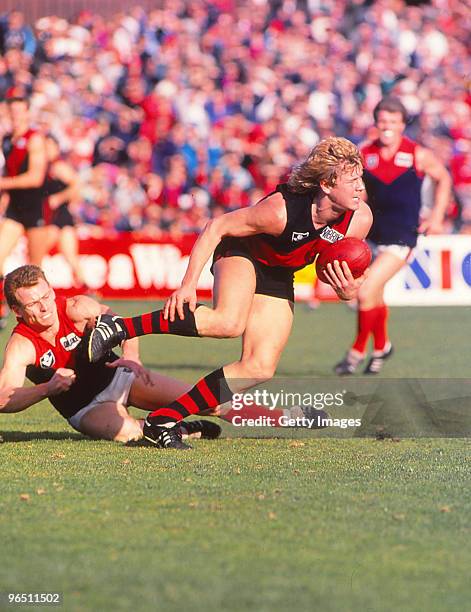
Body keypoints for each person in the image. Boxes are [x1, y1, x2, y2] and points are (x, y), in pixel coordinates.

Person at [87, 136, 373, 449]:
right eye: (352, 180)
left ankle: (162, 420)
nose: (360, 187)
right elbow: (216, 227)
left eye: (360, 178)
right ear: (327, 185)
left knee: (259, 366)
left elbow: (338, 278)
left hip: (279, 272)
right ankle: (121, 327)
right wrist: (188, 285)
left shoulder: (360, 218)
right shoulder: (279, 212)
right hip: (242, 252)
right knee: (228, 322)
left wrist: (348, 291)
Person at [0, 264, 221, 447]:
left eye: (46, 296)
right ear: (17, 310)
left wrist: (131, 356)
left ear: (51, 289)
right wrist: (46, 389)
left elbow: (126, 327)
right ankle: (183, 428)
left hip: (121, 378)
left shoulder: (76, 308)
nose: (44, 307)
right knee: (129, 432)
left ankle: (255, 417)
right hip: (86, 408)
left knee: (211, 403)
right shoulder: (22, 344)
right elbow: (3, 398)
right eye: (32, 304)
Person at [334, 97, 452, 375]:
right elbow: (357, 191)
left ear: (402, 124)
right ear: (376, 122)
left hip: (402, 238)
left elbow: (443, 178)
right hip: (371, 236)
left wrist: (436, 215)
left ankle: (356, 351)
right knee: (374, 295)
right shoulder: (365, 153)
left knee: (365, 290)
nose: (387, 126)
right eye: (382, 120)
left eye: (393, 121)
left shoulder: (416, 154)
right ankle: (382, 347)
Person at [0, 90, 48, 328]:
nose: (15, 116)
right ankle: (3, 307)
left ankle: (44, 321)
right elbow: (9, 175)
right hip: (15, 211)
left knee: (35, 270)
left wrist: (3, 183)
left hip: (35, 209)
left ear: (27, 112)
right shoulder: (8, 139)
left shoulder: (35, 138)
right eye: (12, 111)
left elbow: (35, 178)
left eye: (19, 111)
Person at [41, 134, 87, 287]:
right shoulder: (47, 166)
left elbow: (76, 185)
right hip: (59, 216)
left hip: (58, 216)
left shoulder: (58, 166)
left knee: (39, 252)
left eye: (49, 147)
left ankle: (34, 286)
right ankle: (85, 287)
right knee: (70, 256)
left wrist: (59, 198)